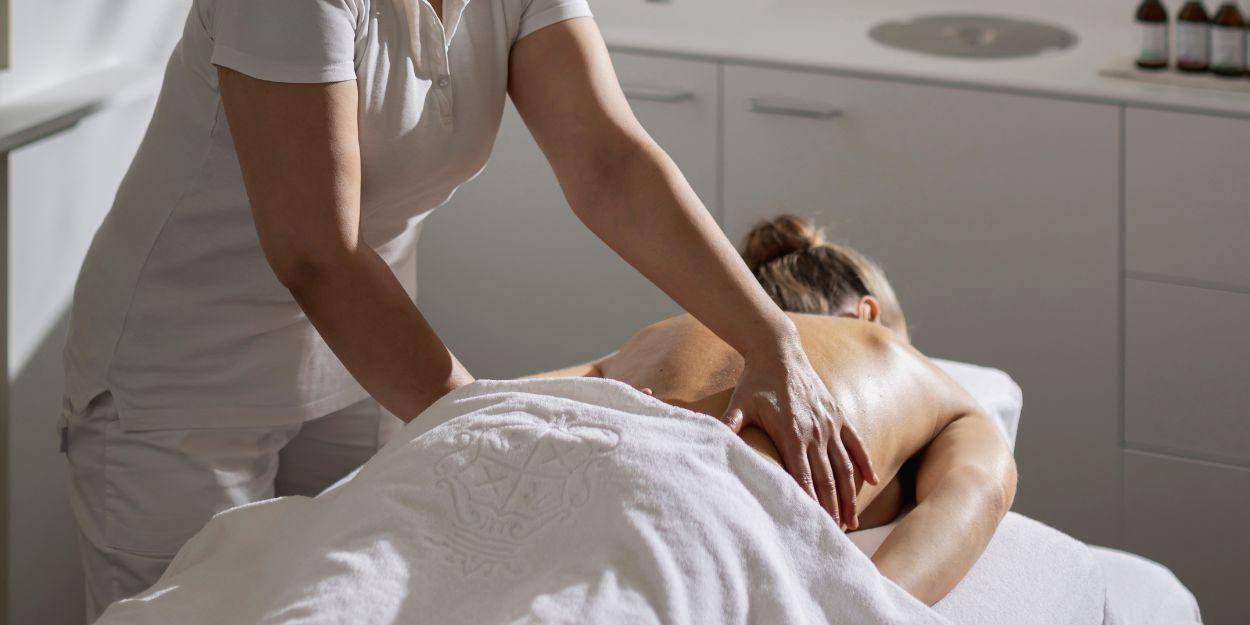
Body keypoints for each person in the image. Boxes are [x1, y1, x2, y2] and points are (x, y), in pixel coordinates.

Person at [60, 2, 872, 619]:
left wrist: (773, 340)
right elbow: (316, 249)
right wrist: (489, 429)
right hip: (180, 383)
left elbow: (609, 162)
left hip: (354, 362)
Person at [533, 215, 1018, 604]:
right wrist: (862, 611)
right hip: (700, 517)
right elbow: (978, 489)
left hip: (566, 481)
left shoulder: (655, 336)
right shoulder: (903, 362)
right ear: (869, 314)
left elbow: (499, 398)